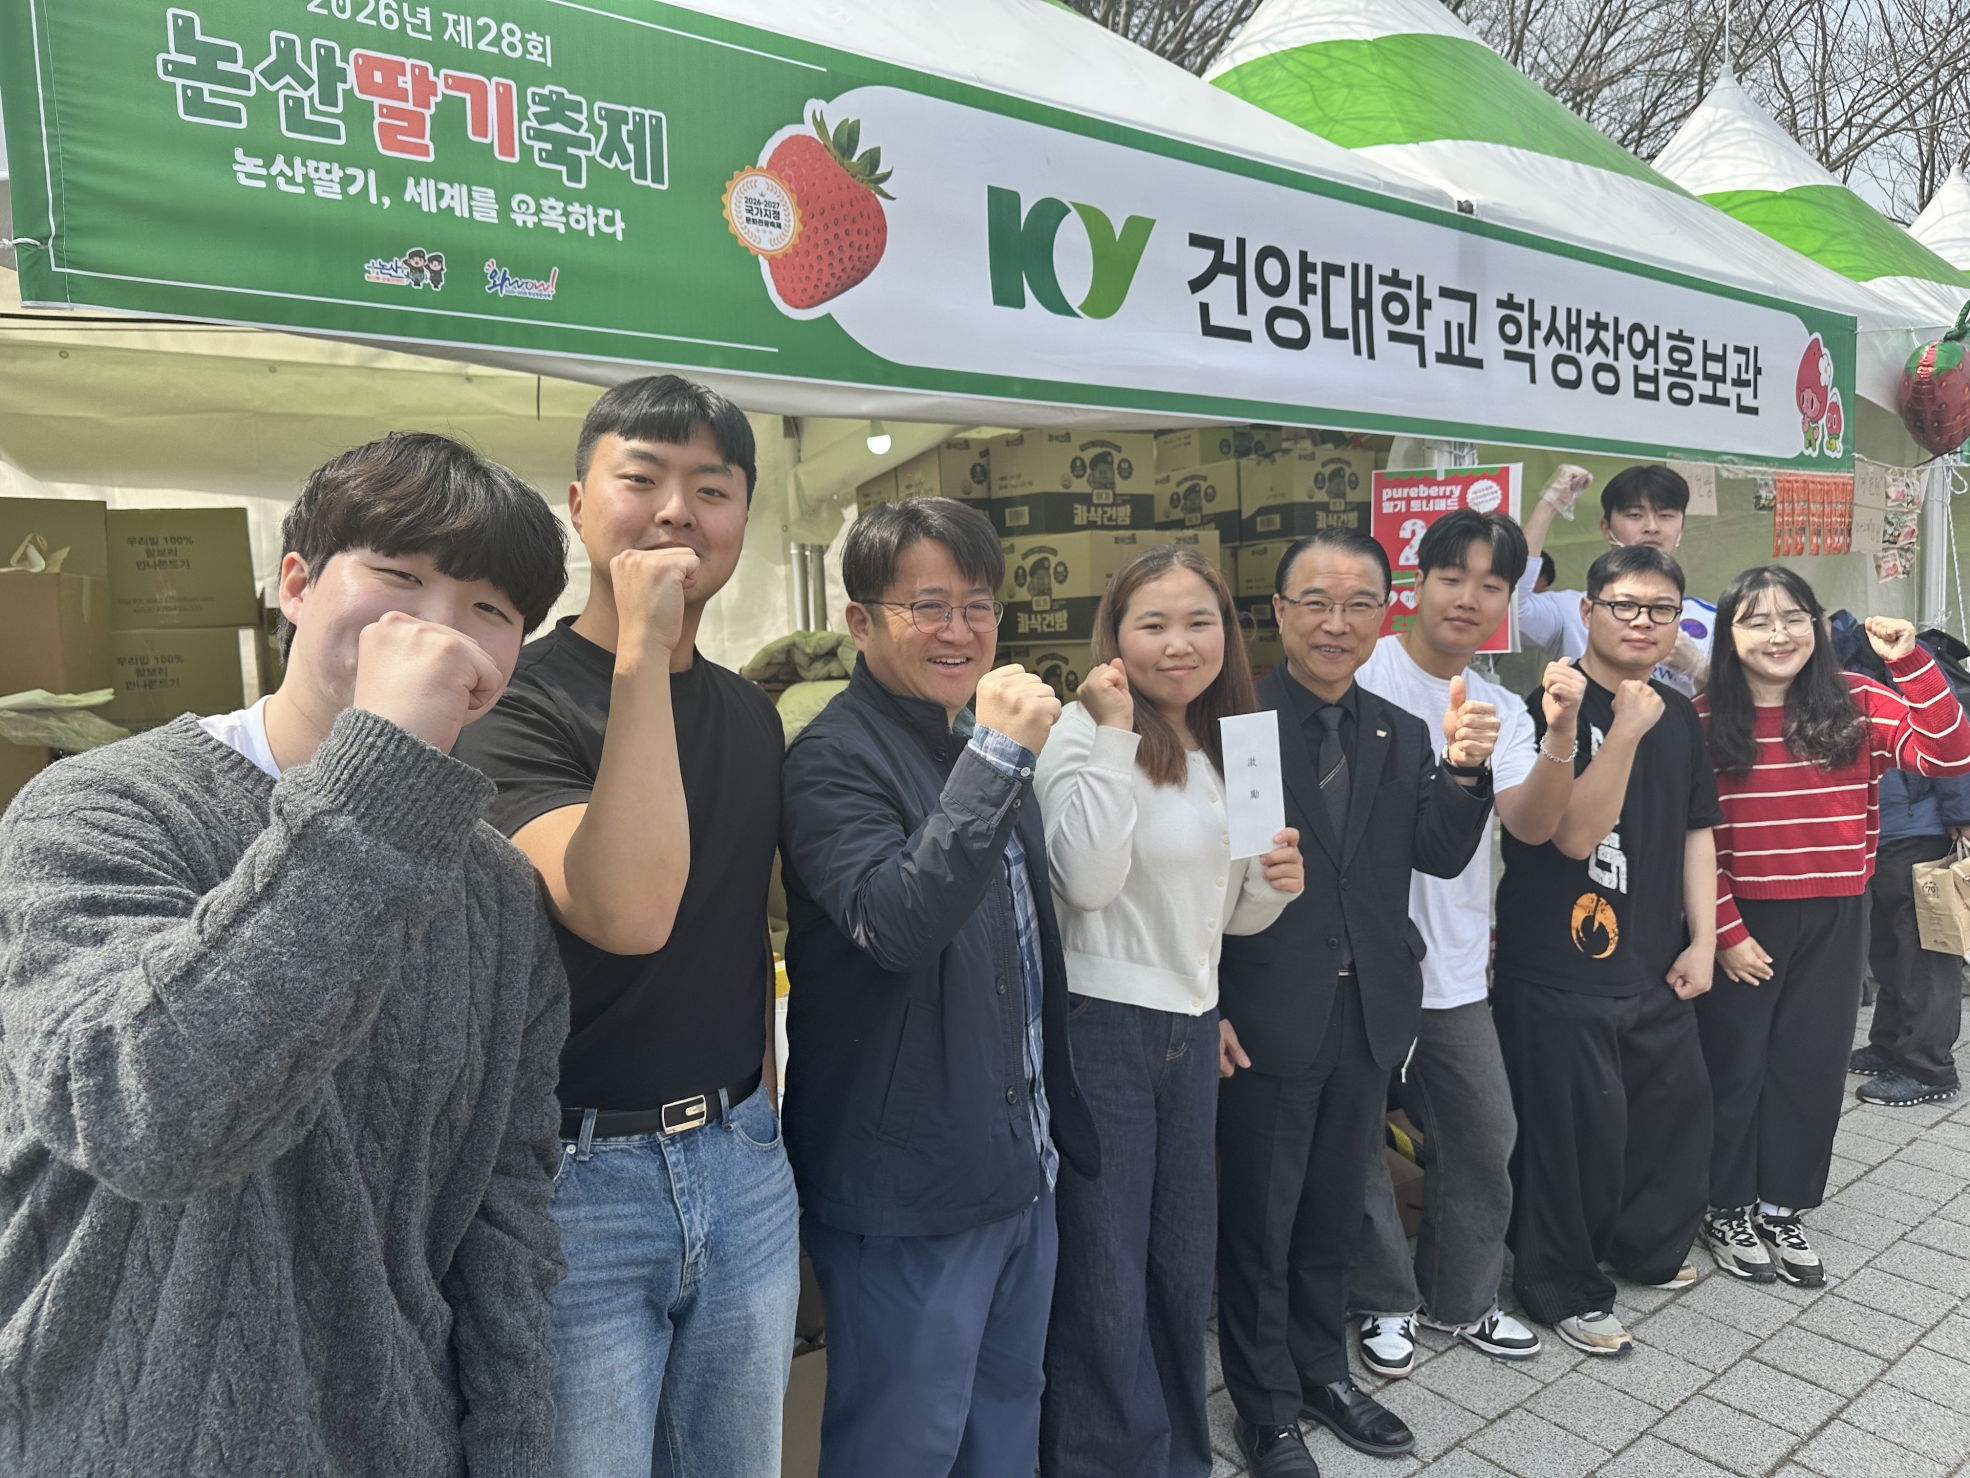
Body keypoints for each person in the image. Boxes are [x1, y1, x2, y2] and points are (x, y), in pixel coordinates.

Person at [0, 432, 571, 1474]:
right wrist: (385, 770)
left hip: (385, 1436)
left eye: (490, 608)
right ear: (297, 585)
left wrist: (513, 1447)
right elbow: (139, 1116)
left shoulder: (497, 889)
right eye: (399, 576)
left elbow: (505, 1210)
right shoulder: (99, 807)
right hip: (110, 1435)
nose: (437, 629)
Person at [453, 375, 798, 1478]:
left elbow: (737, 930)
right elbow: (623, 909)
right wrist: (644, 650)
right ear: (577, 502)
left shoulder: (749, 713)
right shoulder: (511, 702)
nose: (677, 512)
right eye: (641, 479)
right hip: (577, 1179)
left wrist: (760, 1121)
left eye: (712, 489)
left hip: (742, 1157)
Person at [779, 498, 1101, 1478]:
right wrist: (998, 755)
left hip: (1019, 1161)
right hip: (909, 1185)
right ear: (860, 620)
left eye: (977, 604)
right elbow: (898, 925)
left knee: (1005, 1423)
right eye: (927, 605)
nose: (959, 628)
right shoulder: (830, 758)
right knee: (903, 1445)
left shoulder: (975, 741)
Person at [1216, 527, 1498, 1478]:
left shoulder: (1400, 729)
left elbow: (1439, 854)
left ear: (1385, 613)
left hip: (1371, 1011)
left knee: (1338, 1208)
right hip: (1266, 1012)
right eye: (1316, 604)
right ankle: (1264, 1410)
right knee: (1262, 1222)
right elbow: (1220, 887)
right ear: (1279, 613)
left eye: (1358, 605)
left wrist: (1465, 772)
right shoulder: (1241, 723)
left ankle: (1321, 1373)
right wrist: (1212, 1005)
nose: (1336, 624)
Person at [1034, 544, 1305, 1478]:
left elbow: (1231, 917)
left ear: (1228, 632)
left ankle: (1177, 1454)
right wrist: (1113, 731)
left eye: (1200, 621)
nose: (1179, 643)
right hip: (1101, 1025)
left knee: (1180, 1264)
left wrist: (1275, 883)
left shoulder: (1239, 742)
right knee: (1104, 1271)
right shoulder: (1082, 732)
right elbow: (1085, 883)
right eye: (1153, 623)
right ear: (1115, 637)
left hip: (1191, 1026)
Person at [1348, 509, 1583, 1378]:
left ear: (1510, 600)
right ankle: (1383, 1299)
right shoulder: (1361, 672)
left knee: (1486, 1133)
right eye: (1453, 577)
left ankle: (1462, 1298)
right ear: (1417, 583)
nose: (1469, 598)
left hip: (1450, 967)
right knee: (1354, 1140)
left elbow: (1533, 824)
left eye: (1492, 584)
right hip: (1353, 959)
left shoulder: (1500, 705)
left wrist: (1559, 733)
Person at [1696, 568, 1970, 1287]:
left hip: (1838, 913)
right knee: (1736, 1064)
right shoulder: (1702, 717)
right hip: (1743, 919)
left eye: (1794, 617)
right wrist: (1725, 930)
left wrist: (1911, 661)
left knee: (1811, 1065)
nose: (1778, 634)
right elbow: (1694, 838)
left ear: (1819, 627)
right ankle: (1725, 1206)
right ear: (1729, 634)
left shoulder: (1858, 699)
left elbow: (1949, 754)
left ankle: (1781, 1204)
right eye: (1757, 620)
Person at [1491, 546, 1721, 1357]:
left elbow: (1697, 831)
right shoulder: (1550, 706)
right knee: (1569, 1140)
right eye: (1625, 604)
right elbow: (1574, 836)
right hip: (1559, 966)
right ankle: (1561, 1285)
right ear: (1587, 612)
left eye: (1662, 609)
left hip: (1653, 960)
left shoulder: (1678, 716)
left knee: (1673, 1112)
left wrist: (1705, 939)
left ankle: (1643, 1249)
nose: (1643, 622)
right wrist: (1620, 728)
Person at [1831, 611, 1970, 1107]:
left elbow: (1947, 735)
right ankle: (1890, 1043)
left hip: (1918, 826)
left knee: (1925, 949)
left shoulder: (1888, 658)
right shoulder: (1838, 662)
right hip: (1876, 829)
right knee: (1888, 946)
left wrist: (1960, 813)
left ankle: (1928, 1068)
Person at [1518, 464, 1715, 696]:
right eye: (1634, 515)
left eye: (1666, 516)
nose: (1652, 527)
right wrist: (1550, 504)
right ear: (1605, 527)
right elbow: (1512, 608)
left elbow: (1745, 701)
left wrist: (1700, 669)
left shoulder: (1713, 619)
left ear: (1681, 528)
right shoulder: (1571, 609)